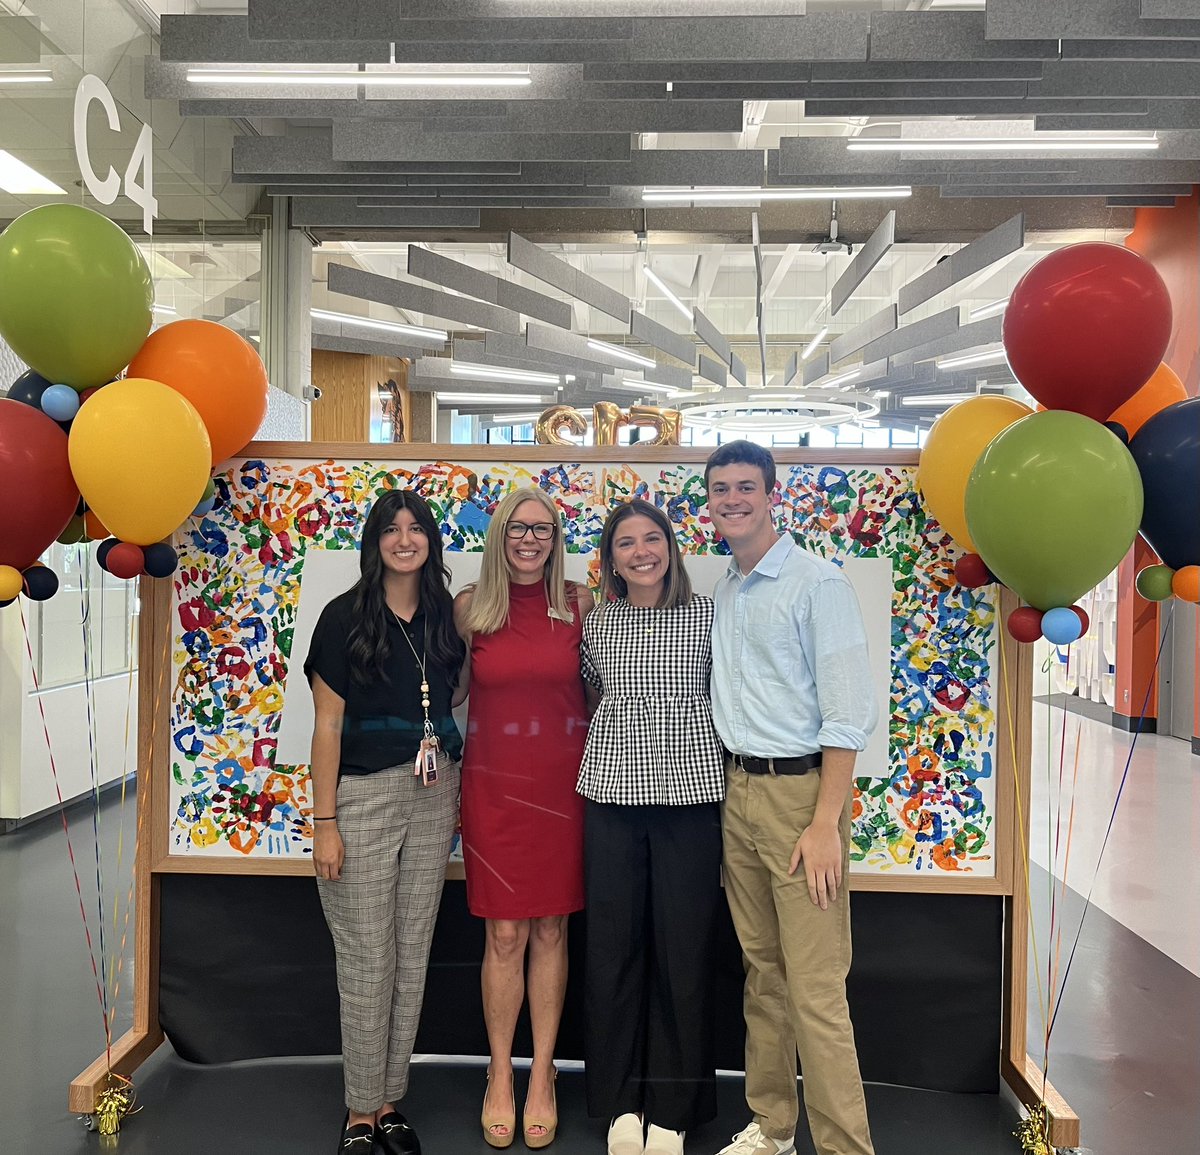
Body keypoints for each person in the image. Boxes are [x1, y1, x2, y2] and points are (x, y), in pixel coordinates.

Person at [705, 441, 879, 1155]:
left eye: (747, 486)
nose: (733, 499)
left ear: (774, 494)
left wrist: (826, 822)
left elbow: (846, 714)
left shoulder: (816, 584)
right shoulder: (726, 585)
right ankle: (773, 1125)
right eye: (720, 489)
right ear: (709, 501)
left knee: (814, 988)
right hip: (736, 792)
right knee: (764, 975)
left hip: (801, 795)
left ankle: (845, 1147)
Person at [305, 488, 467, 1155]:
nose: (405, 539)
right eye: (391, 529)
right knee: (367, 956)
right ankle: (359, 1110)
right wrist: (325, 821)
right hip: (363, 795)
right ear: (374, 542)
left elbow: (454, 692)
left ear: (431, 540)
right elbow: (326, 725)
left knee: (411, 951)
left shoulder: (445, 615)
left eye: (416, 528)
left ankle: (391, 1099)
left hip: (435, 791)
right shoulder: (343, 617)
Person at [578, 499, 726, 1155]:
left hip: (691, 803)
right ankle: (618, 1104)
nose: (642, 551)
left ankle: (672, 1106)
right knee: (612, 952)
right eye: (627, 542)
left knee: (684, 953)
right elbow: (589, 697)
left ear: (672, 545)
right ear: (610, 558)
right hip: (611, 799)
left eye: (653, 538)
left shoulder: (708, 617)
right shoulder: (598, 624)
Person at [454, 485, 593, 1150]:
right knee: (505, 935)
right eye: (518, 526)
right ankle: (500, 1075)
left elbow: (606, 688)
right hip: (494, 791)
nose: (530, 538)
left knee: (552, 930)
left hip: (566, 790)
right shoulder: (468, 609)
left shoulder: (581, 604)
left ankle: (543, 1075)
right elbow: (440, 689)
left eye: (542, 528)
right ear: (500, 535)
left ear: (556, 536)